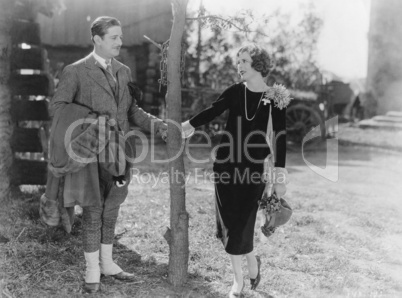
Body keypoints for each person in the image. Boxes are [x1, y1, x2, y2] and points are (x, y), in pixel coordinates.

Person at [49, 16, 167, 294]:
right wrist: (93, 121)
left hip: (121, 153)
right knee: (93, 210)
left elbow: (132, 111)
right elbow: (57, 108)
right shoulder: (75, 71)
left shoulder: (123, 71)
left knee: (112, 209)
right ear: (97, 39)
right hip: (89, 154)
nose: (120, 42)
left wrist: (160, 126)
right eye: (113, 37)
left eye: (120, 37)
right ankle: (92, 269)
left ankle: (107, 263)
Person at [182, 43, 290, 297]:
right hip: (226, 166)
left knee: (244, 222)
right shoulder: (234, 91)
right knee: (231, 224)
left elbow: (281, 139)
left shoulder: (275, 98)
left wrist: (280, 178)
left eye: (244, 60)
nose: (239, 65)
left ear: (258, 65)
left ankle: (251, 263)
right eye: (238, 60)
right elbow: (212, 111)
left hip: (253, 170)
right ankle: (238, 280)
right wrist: (186, 125)